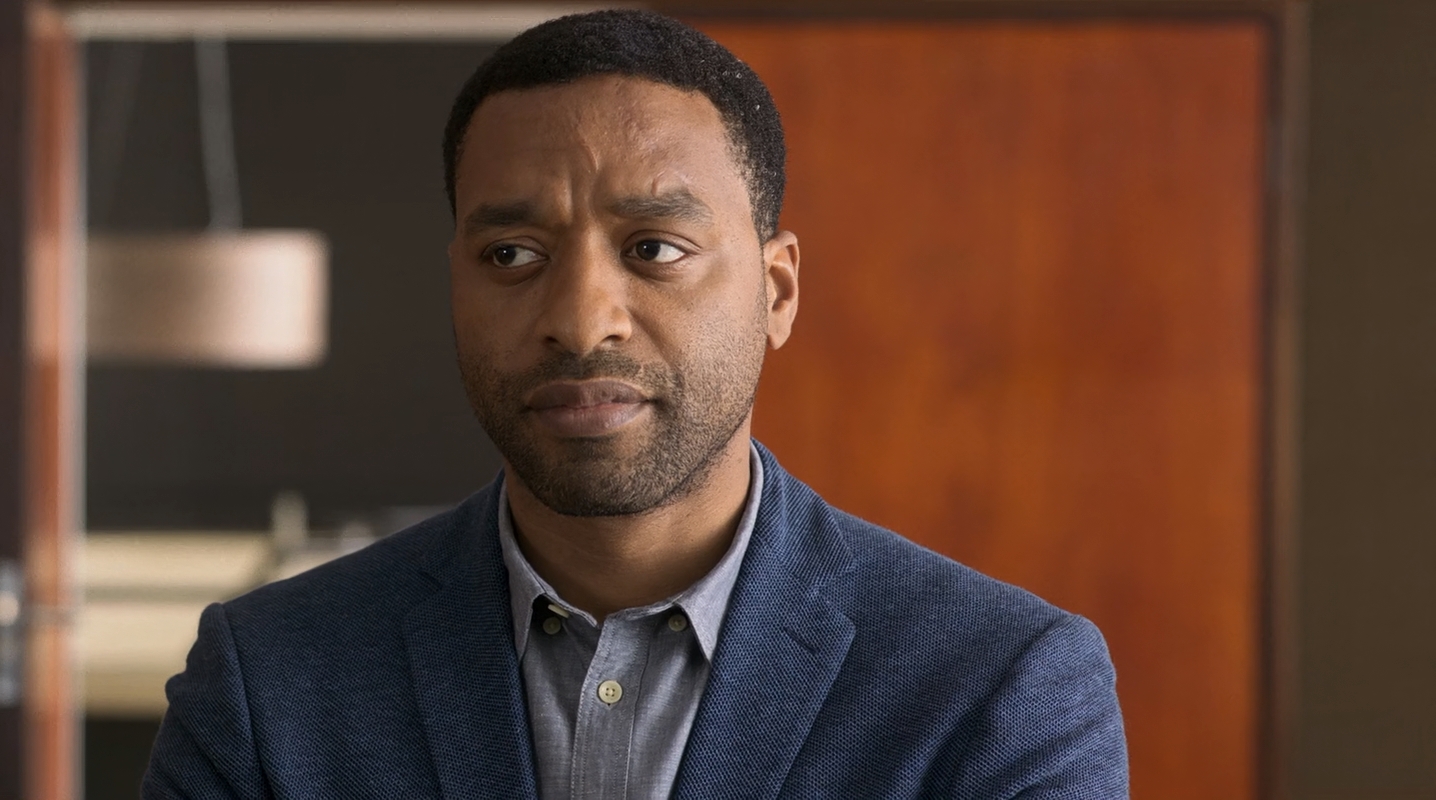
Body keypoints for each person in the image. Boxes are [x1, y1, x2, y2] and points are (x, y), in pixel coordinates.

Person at [144, 10, 1126, 799]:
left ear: (777, 292)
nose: (580, 320)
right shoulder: (271, 678)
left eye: (654, 247)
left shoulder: (998, 684)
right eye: (510, 255)